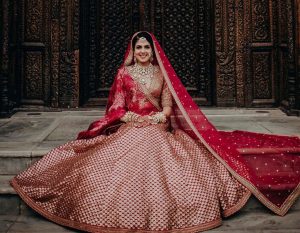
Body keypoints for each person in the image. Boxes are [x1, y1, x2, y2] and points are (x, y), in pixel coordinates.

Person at [11, 31, 300, 232]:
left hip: (157, 129)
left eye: (147, 47)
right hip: (131, 127)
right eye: (138, 47)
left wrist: (160, 117)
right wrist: (131, 119)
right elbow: (117, 107)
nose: (143, 51)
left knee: (166, 158)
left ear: (153, 50)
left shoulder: (162, 75)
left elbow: (166, 106)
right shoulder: (124, 75)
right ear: (132, 51)